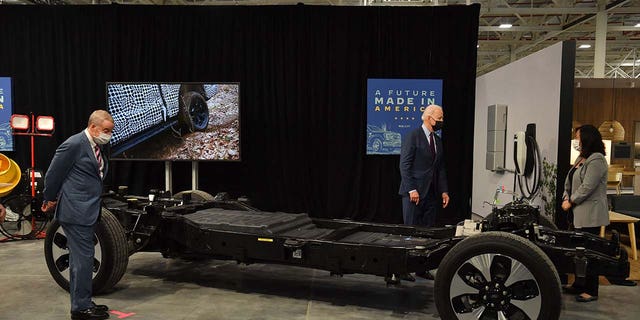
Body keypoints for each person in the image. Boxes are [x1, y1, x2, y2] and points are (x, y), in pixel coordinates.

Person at [41, 110, 113, 320]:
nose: (108, 135)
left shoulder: (95, 146)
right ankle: (80, 309)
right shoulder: (73, 145)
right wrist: (49, 198)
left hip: (87, 210)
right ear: (93, 127)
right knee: (83, 259)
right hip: (75, 211)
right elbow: (54, 174)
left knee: (81, 259)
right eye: (106, 131)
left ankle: (82, 302)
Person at [561, 124, 609, 302]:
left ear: (587, 139)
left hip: (591, 215)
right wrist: (566, 197)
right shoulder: (581, 158)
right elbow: (570, 180)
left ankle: (592, 290)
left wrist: (571, 201)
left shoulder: (597, 159)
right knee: (578, 252)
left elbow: (587, 186)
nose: (576, 141)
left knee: (590, 253)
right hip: (577, 213)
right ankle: (579, 284)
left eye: (578, 138)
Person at [398, 104, 449, 227]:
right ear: (429, 118)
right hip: (414, 194)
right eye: (439, 118)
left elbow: (440, 168)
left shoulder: (437, 140)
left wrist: (444, 191)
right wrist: (412, 189)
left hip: (431, 194)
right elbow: (404, 165)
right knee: (412, 231)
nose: (441, 121)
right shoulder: (412, 136)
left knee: (428, 231)